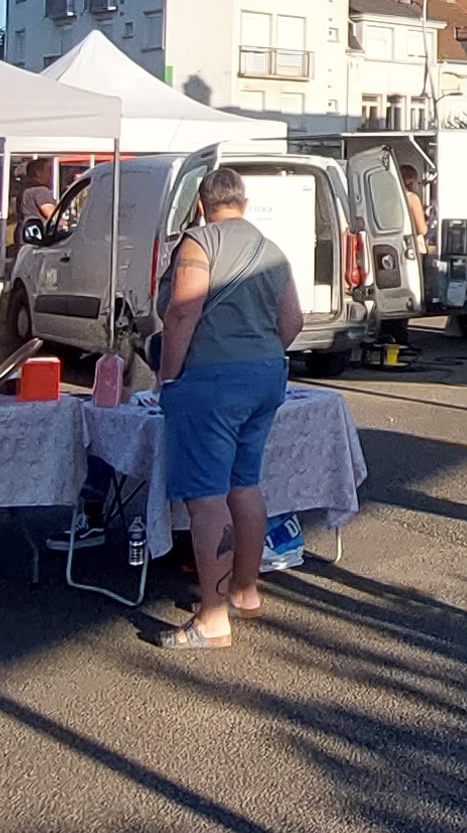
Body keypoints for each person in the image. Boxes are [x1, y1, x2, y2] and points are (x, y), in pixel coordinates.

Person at [151, 167, 305, 650]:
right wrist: (258, 351)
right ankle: (245, 590)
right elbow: (293, 321)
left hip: (210, 383)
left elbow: (182, 311)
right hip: (264, 377)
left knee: (206, 497)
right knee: (245, 485)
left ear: (202, 204)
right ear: (243, 201)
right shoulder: (272, 250)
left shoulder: (199, 243)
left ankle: (213, 617)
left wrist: (169, 375)